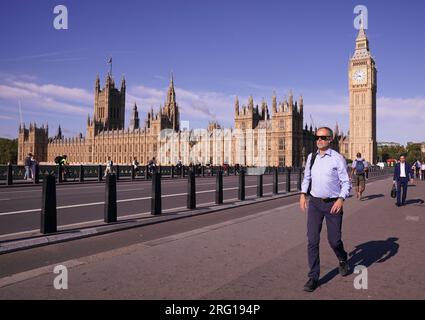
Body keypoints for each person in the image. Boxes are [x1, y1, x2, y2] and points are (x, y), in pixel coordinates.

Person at [300, 127, 351, 292]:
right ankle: (313, 277)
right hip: (315, 203)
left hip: (332, 204)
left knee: (334, 240)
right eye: (317, 137)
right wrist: (302, 194)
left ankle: (342, 258)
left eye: (323, 137)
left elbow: (346, 182)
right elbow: (307, 177)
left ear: (330, 139)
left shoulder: (337, 158)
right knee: (312, 240)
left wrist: (341, 199)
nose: (319, 140)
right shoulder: (311, 157)